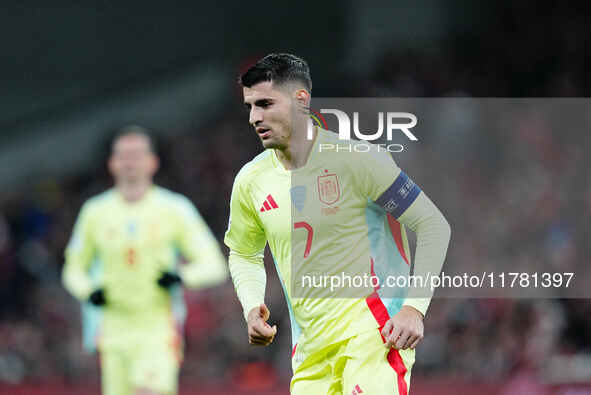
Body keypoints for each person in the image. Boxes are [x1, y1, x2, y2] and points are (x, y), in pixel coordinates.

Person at [225, 53, 451, 395]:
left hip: (376, 336)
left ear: (301, 100)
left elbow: (433, 224)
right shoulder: (251, 181)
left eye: (266, 104)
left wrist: (413, 309)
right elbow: (244, 253)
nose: (255, 117)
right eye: (250, 107)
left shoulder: (358, 161)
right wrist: (252, 305)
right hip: (309, 352)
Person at [62, 126, 228, 395]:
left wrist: (181, 276)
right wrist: (88, 291)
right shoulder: (95, 212)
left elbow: (213, 265)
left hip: (158, 328)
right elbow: (73, 268)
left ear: (153, 162)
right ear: (112, 163)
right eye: (123, 156)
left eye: (137, 155)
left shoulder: (174, 209)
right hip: (112, 331)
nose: (130, 162)